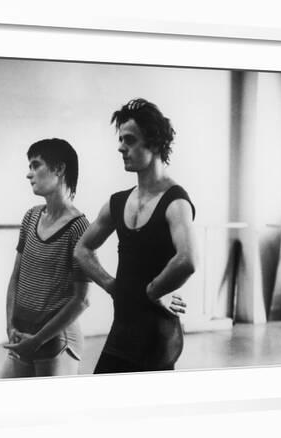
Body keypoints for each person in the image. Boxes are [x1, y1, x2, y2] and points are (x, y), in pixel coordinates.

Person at [74, 98, 198, 373]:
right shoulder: (117, 203)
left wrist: (154, 291)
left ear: (153, 143)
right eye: (121, 140)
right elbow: (82, 249)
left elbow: (187, 259)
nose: (120, 147)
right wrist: (110, 284)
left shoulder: (175, 201)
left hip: (158, 336)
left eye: (129, 140)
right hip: (123, 330)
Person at [0, 138, 91, 378]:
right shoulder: (31, 217)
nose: (29, 174)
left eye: (35, 165)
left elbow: (81, 300)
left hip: (56, 342)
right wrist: (11, 326)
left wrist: (38, 340)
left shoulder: (79, 227)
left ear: (59, 169)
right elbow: (16, 278)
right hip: (23, 336)